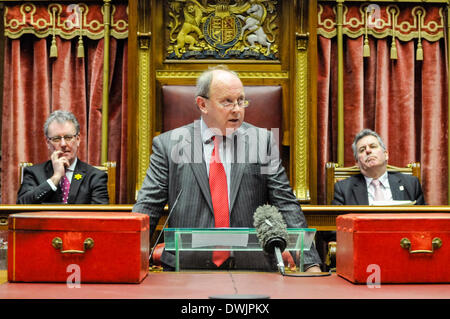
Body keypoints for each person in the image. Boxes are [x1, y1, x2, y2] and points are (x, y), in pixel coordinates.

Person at [132, 65, 322, 272]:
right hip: (186, 269)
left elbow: (285, 203)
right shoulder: (170, 145)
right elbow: (148, 206)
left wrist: (310, 262)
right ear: (202, 104)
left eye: (241, 101)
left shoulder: (261, 142)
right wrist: (127, 260)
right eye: (227, 102)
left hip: (251, 269)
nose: (237, 109)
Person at [17, 110, 109, 204]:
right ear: (48, 143)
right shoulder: (33, 173)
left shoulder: (95, 176)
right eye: (56, 139)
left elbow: (99, 215)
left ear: (78, 139)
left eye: (68, 137)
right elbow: (21, 204)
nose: (63, 144)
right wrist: (55, 177)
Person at [332, 128, 425, 205]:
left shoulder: (411, 184)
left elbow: (422, 221)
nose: (368, 151)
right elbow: (336, 224)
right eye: (362, 149)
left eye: (373, 146)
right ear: (357, 162)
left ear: (386, 155)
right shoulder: (343, 189)